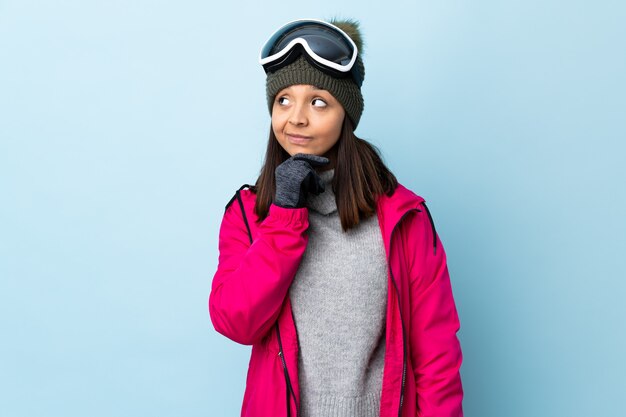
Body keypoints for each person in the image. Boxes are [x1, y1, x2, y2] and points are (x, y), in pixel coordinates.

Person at [208, 17, 464, 417]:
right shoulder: (248, 213)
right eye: (283, 100)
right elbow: (236, 321)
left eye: (318, 102)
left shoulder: (403, 217)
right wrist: (284, 217)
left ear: (347, 112)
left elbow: (436, 357)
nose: (296, 118)